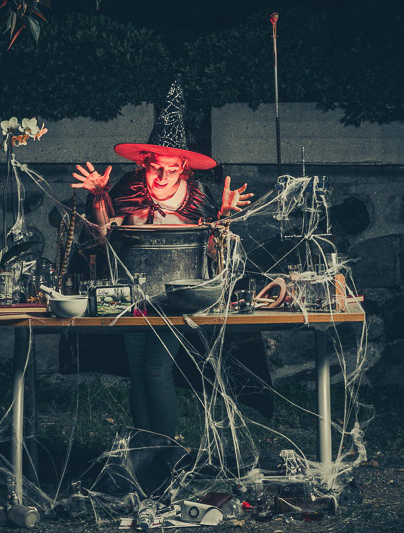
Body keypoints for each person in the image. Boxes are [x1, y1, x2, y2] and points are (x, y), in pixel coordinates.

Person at [69, 77, 253, 438]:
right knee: (138, 372)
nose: (163, 176)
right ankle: (145, 450)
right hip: (130, 295)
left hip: (175, 296)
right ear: (144, 163)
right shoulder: (128, 186)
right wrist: (99, 197)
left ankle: (164, 451)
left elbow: (212, 251)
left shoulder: (198, 194)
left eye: (172, 169)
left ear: (183, 167)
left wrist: (224, 216)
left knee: (156, 368)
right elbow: (103, 238)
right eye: (156, 167)